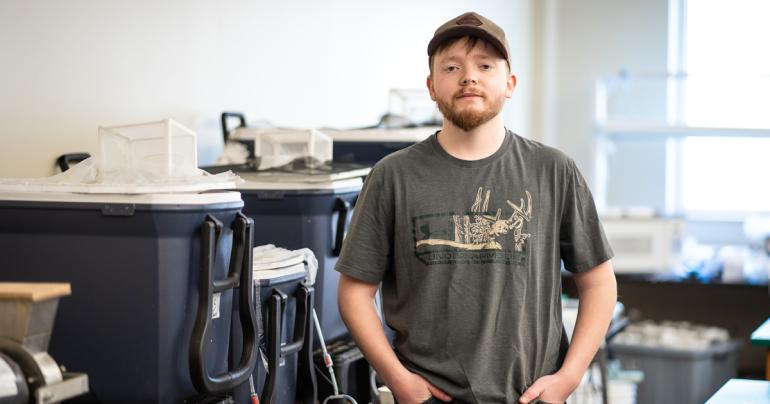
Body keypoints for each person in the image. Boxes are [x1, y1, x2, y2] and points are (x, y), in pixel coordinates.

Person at [336, 11, 617, 404]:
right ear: (432, 87)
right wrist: (398, 379)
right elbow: (354, 292)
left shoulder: (553, 170)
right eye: (452, 67)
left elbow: (599, 282)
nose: (469, 76)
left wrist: (568, 377)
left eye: (485, 65)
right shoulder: (392, 176)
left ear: (510, 83)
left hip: (530, 396)